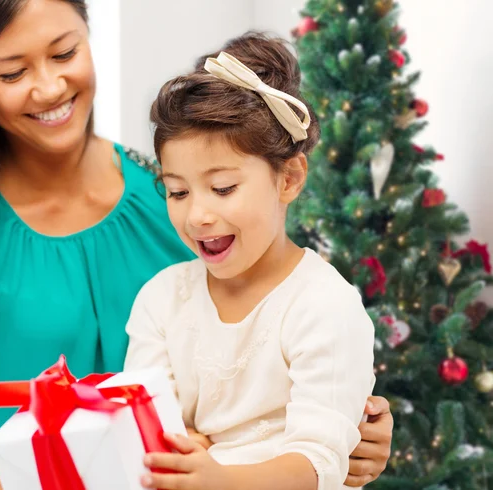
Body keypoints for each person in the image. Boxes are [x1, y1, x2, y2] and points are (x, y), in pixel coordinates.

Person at [0, 1, 392, 489]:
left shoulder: (178, 200)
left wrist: (356, 424)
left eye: (65, 54)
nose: (48, 87)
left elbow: (278, 333)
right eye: (11, 73)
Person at [123, 32, 377, 490]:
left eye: (222, 188)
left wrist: (218, 478)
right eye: (177, 191)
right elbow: (145, 432)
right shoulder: (162, 300)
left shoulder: (324, 305)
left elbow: (319, 463)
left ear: (289, 178)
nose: (197, 215)